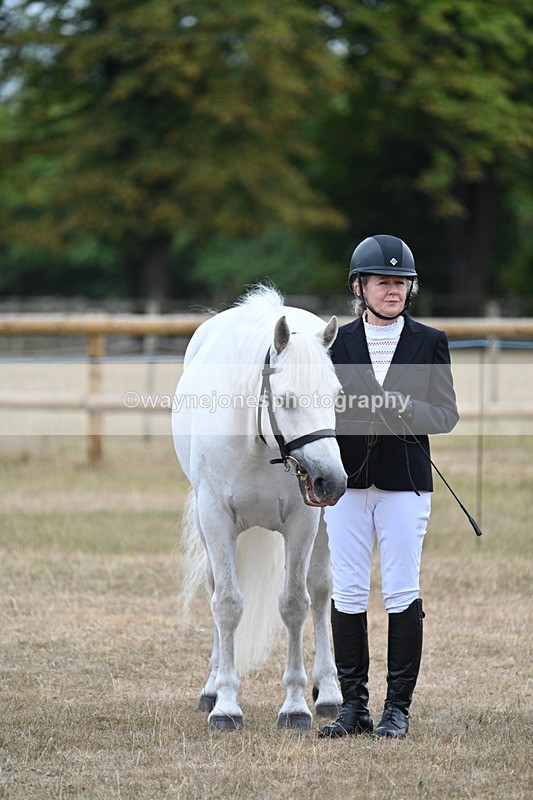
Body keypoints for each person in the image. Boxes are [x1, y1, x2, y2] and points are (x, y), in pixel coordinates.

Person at [318, 234, 459, 739]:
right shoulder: (335, 344)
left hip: (405, 484)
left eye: (401, 282)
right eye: (383, 282)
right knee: (348, 589)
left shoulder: (430, 341)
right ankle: (353, 707)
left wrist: (406, 409)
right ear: (359, 287)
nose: (394, 290)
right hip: (348, 484)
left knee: (401, 589)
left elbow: (445, 415)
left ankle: (397, 709)